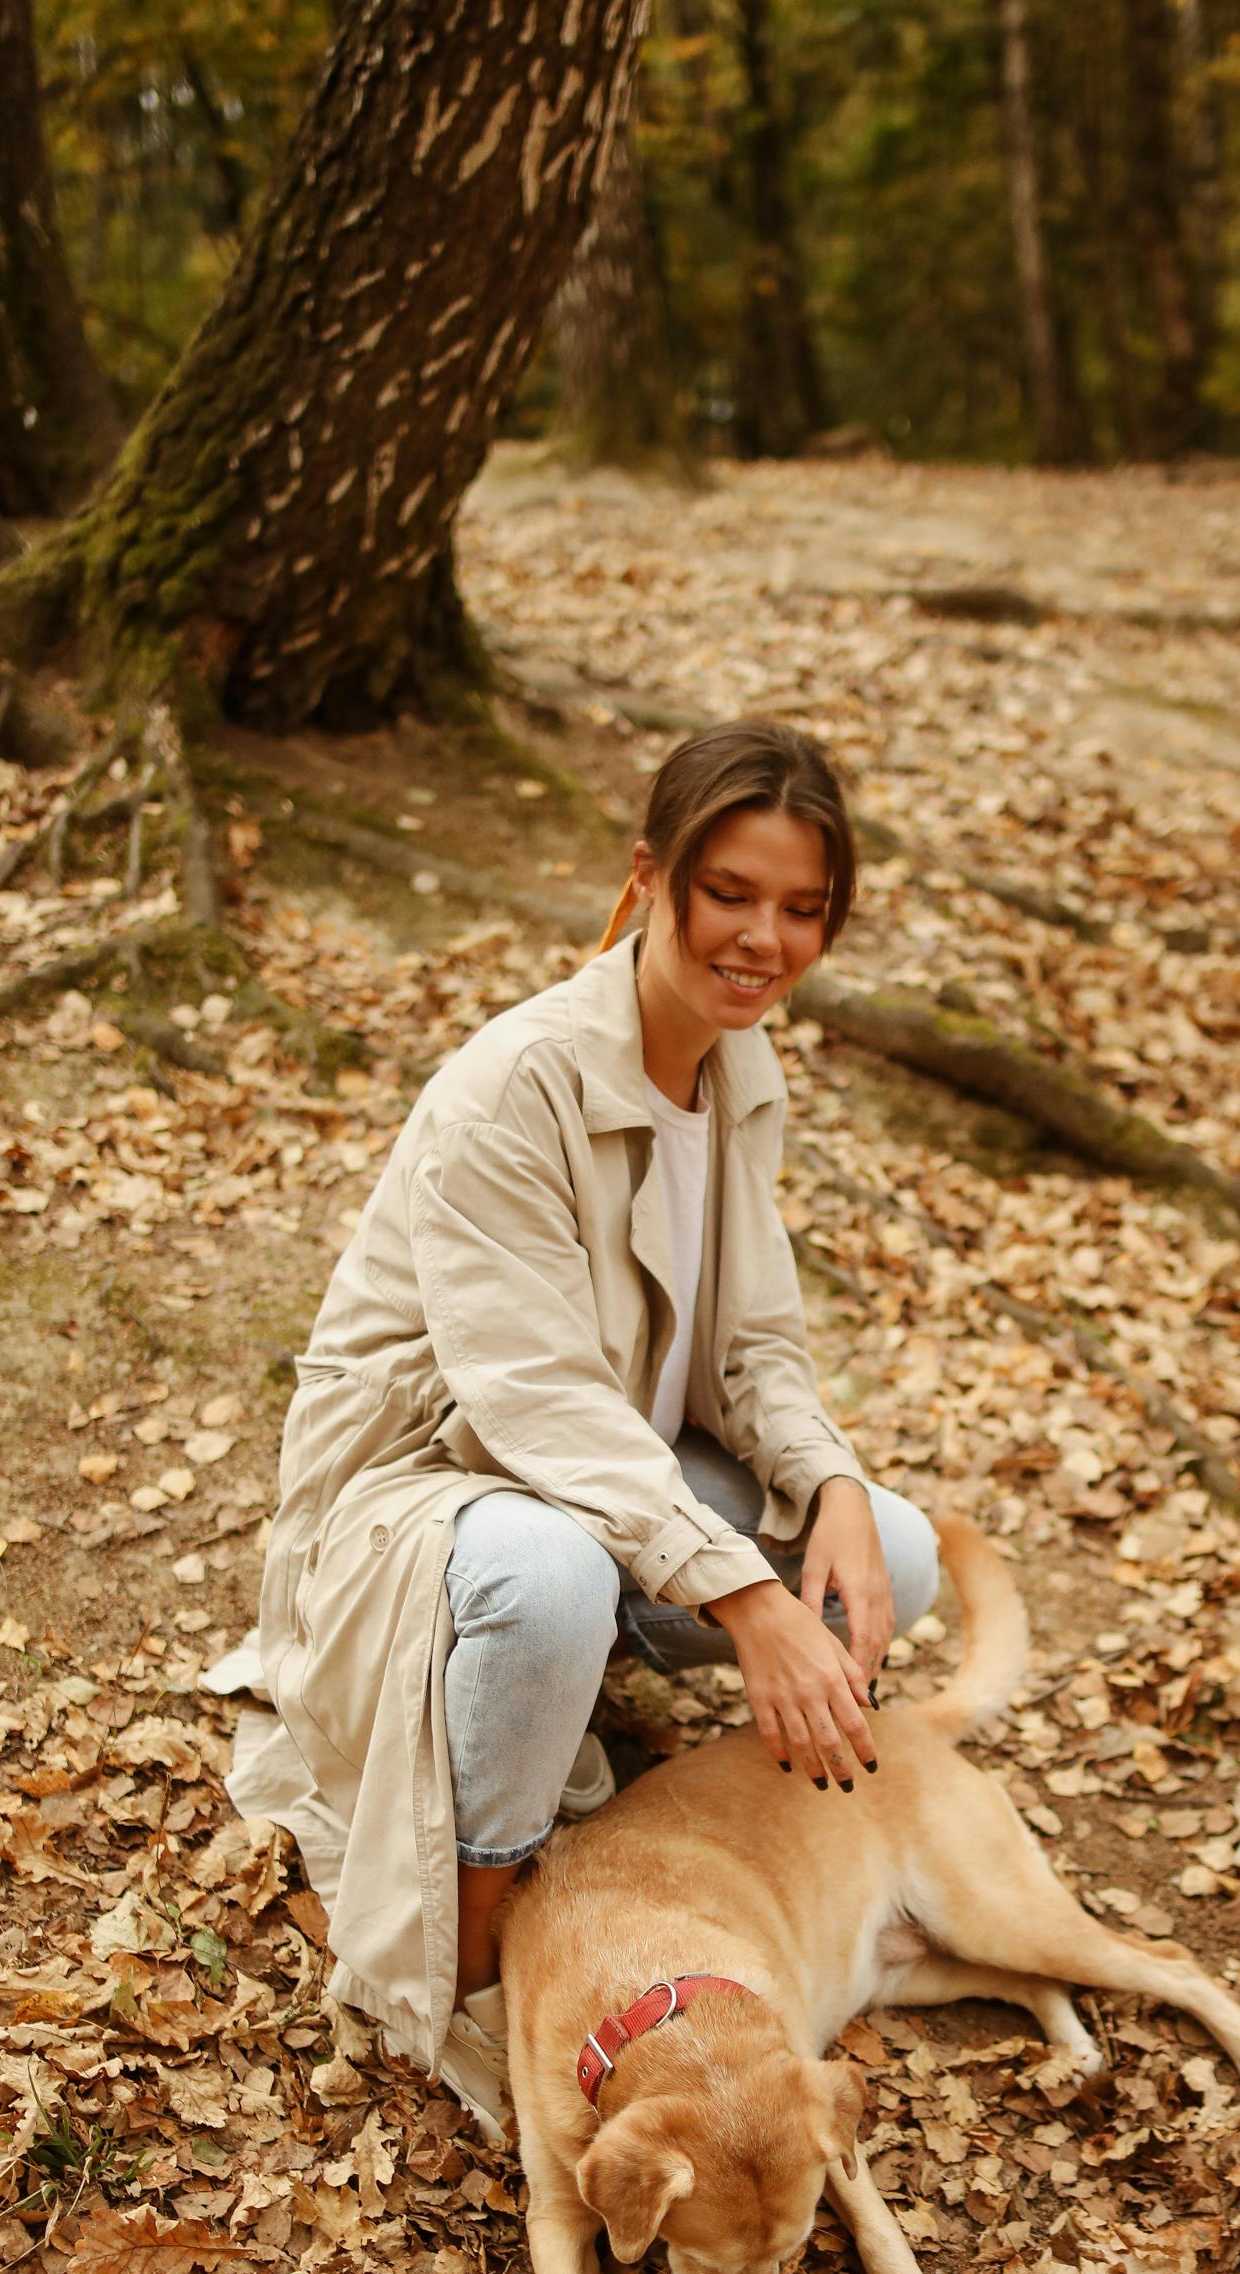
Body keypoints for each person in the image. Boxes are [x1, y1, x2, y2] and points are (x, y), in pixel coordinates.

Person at [219, 720, 941, 2129]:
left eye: (804, 909)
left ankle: (631, 1747)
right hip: (425, 1493)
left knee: (893, 1559)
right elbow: (533, 1395)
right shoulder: (516, 1085)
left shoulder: (737, 1078)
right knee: (550, 1580)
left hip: (593, 1490)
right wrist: (741, 1594)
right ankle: (485, 1953)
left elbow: (755, 1349)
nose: (764, 939)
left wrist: (833, 1484)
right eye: (730, 892)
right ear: (652, 876)